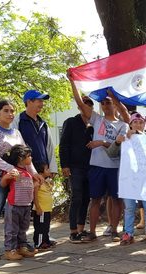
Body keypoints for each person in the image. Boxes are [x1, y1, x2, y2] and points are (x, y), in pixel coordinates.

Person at [68, 76, 130, 242]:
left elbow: (120, 141)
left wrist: (102, 142)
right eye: (102, 103)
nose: (105, 105)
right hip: (97, 166)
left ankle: (114, 230)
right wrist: (72, 82)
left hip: (115, 167)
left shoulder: (123, 125)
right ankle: (93, 232)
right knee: (95, 199)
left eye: (108, 102)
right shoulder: (97, 119)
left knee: (116, 199)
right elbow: (81, 104)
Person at [0, 100, 42, 260]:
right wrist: (9, 169)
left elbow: (24, 155)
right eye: (6, 110)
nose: (10, 114)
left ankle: (18, 246)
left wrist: (34, 172)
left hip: (17, 181)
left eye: (12, 111)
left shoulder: (16, 132)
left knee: (18, 217)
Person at [108, 113, 146, 245]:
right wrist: (117, 142)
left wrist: (137, 134)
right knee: (129, 208)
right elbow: (111, 154)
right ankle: (128, 233)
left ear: (144, 125)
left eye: (141, 122)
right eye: (135, 122)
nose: (138, 125)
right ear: (130, 124)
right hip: (128, 179)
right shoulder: (124, 138)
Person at [60, 93, 93, 243]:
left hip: (90, 167)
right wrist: (64, 165)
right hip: (75, 166)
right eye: (84, 104)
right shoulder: (71, 122)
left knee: (86, 198)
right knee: (77, 197)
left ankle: (81, 229)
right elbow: (64, 144)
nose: (87, 107)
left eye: (90, 105)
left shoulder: (93, 125)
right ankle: (73, 231)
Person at [0, 145, 38, 260]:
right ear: (21, 158)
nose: (31, 158)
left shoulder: (28, 172)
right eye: (29, 156)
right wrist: (7, 176)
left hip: (26, 205)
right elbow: (2, 183)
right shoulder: (13, 170)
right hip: (14, 205)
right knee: (11, 229)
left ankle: (22, 247)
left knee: (23, 228)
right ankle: (9, 250)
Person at [13, 90, 58, 175]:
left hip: (43, 172)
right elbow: (14, 146)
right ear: (29, 102)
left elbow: (49, 147)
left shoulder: (43, 124)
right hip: (24, 171)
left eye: (42, 101)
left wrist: (52, 169)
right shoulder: (17, 121)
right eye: (39, 101)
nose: (42, 104)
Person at [33, 163, 55, 250]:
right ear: (41, 172)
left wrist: (50, 182)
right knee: (40, 227)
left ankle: (46, 240)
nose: (49, 171)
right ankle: (39, 243)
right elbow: (35, 196)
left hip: (47, 209)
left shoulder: (46, 181)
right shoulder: (37, 182)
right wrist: (38, 207)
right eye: (47, 169)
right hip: (41, 209)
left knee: (46, 226)